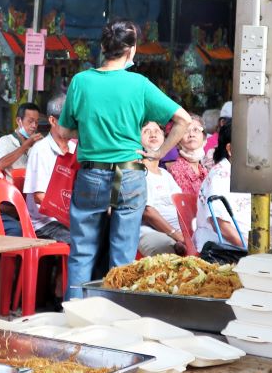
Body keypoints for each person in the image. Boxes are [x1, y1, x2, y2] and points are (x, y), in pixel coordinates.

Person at [57, 20, 190, 298]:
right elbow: (183, 120)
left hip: (91, 174)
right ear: (131, 50)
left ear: (103, 47)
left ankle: (75, 315)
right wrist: (158, 153)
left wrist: (90, 127)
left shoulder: (81, 81)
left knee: (82, 251)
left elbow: (63, 130)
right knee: (123, 254)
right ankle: (115, 317)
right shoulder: (139, 84)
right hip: (130, 174)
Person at [23, 94, 75, 245]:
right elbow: (40, 196)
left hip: (68, 220)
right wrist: (70, 218)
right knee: (84, 243)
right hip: (45, 224)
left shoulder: (74, 148)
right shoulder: (41, 150)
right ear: (53, 120)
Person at [195, 121, 251, 251]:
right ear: (230, 149)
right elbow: (221, 226)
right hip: (225, 250)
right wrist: (256, 250)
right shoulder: (220, 176)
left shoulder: (244, 174)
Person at [138, 121, 186, 256]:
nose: (153, 133)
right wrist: (176, 235)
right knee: (168, 252)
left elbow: (181, 207)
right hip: (151, 232)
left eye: (157, 131)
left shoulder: (165, 174)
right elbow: (148, 212)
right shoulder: (137, 172)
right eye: (146, 131)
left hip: (177, 232)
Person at [0, 101, 43, 179]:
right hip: (12, 189)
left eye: (36, 122)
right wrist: (25, 146)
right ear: (18, 121)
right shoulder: (5, 141)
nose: (34, 126)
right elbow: (0, 165)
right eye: (30, 121)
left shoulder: (39, 143)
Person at [165, 114, 208, 198]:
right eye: (185, 131)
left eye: (196, 130)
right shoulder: (176, 170)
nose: (191, 134)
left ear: (204, 137)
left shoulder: (204, 171)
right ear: (177, 141)